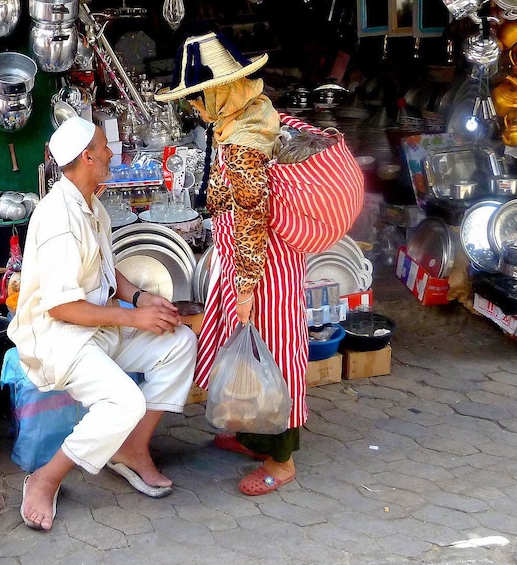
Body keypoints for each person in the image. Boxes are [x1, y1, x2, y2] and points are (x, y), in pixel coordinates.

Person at [156, 32, 361, 496]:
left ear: (219, 91)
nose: (196, 108)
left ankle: (280, 460)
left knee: (275, 354)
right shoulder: (252, 112)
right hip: (258, 261)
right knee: (251, 351)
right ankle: (253, 433)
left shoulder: (244, 143)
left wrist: (245, 288)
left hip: (264, 267)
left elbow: (252, 218)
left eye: (198, 97)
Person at [8, 116, 197, 531]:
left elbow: (109, 277)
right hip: (61, 339)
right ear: (88, 157)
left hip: (97, 329)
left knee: (179, 341)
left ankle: (131, 449)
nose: (112, 153)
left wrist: (141, 299)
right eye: (104, 147)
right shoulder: (59, 218)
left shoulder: (91, 205)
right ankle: (46, 478)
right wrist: (134, 317)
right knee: (123, 401)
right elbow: (61, 308)